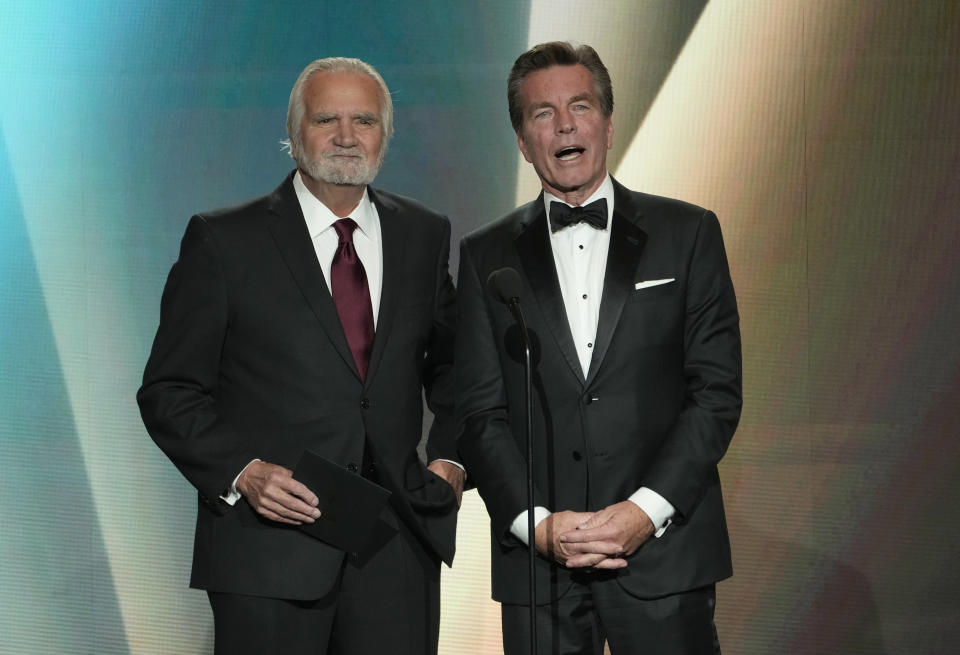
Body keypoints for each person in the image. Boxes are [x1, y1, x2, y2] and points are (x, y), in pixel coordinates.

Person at [138, 56, 464, 655]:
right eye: (325, 119)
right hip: (269, 546)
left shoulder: (424, 235)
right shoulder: (223, 241)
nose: (346, 136)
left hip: (395, 545)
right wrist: (242, 472)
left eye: (364, 120)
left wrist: (449, 461)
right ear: (292, 135)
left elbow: (456, 368)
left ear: (384, 136)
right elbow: (169, 390)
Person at [456, 42, 741, 654]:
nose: (563, 124)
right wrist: (537, 526)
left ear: (608, 124)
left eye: (579, 106)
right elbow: (479, 413)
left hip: (665, 559)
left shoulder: (688, 233)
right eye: (541, 113)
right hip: (541, 575)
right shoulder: (484, 256)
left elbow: (715, 393)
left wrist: (645, 510)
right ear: (522, 140)